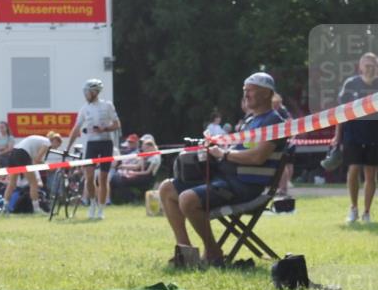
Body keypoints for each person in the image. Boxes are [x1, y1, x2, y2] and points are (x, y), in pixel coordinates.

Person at [158, 72, 287, 266]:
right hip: (226, 179)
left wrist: (224, 155)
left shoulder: (274, 123)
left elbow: (257, 157)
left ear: (267, 94)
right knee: (166, 189)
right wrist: (214, 149)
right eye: (245, 91)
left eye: (251, 90)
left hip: (246, 186)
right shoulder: (250, 121)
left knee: (187, 199)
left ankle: (213, 252)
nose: (246, 95)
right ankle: (185, 254)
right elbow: (239, 151)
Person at [65, 78, 120, 219]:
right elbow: (76, 129)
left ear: (95, 92)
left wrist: (104, 129)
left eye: (87, 92)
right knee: (89, 177)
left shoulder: (107, 105)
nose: (85, 94)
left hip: (106, 142)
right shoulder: (84, 108)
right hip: (91, 144)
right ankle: (92, 203)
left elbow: (117, 125)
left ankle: (101, 209)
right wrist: (67, 148)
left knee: (103, 178)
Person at [333, 51, 378, 223]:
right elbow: (340, 112)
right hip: (352, 134)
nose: (369, 68)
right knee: (353, 170)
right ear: (360, 67)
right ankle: (353, 208)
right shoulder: (350, 84)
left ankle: (366, 212)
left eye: (372, 65)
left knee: (370, 174)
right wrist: (337, 136)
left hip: (374, 135)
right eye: (366, 65)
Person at [1, 134, 50, 215]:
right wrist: (46, 164)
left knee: (12, 184)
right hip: (22, 154)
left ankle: (4, 208)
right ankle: (36, 209)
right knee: (33, 183)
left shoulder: (38, 141)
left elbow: (34, 160)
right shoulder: (47, 142)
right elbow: (37, 160)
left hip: (14, 153)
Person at [110, 134, 162, 200]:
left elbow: (147, 172)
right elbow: (137, 167)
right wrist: (122, 167)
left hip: (147, 177)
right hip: (142, 175)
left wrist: (134, 173)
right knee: (118, 178)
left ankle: (132, 198)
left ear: (150, 145)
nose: (142, 146)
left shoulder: (155, 157)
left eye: (144, 143)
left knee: (121, 180)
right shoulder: (146, 155)